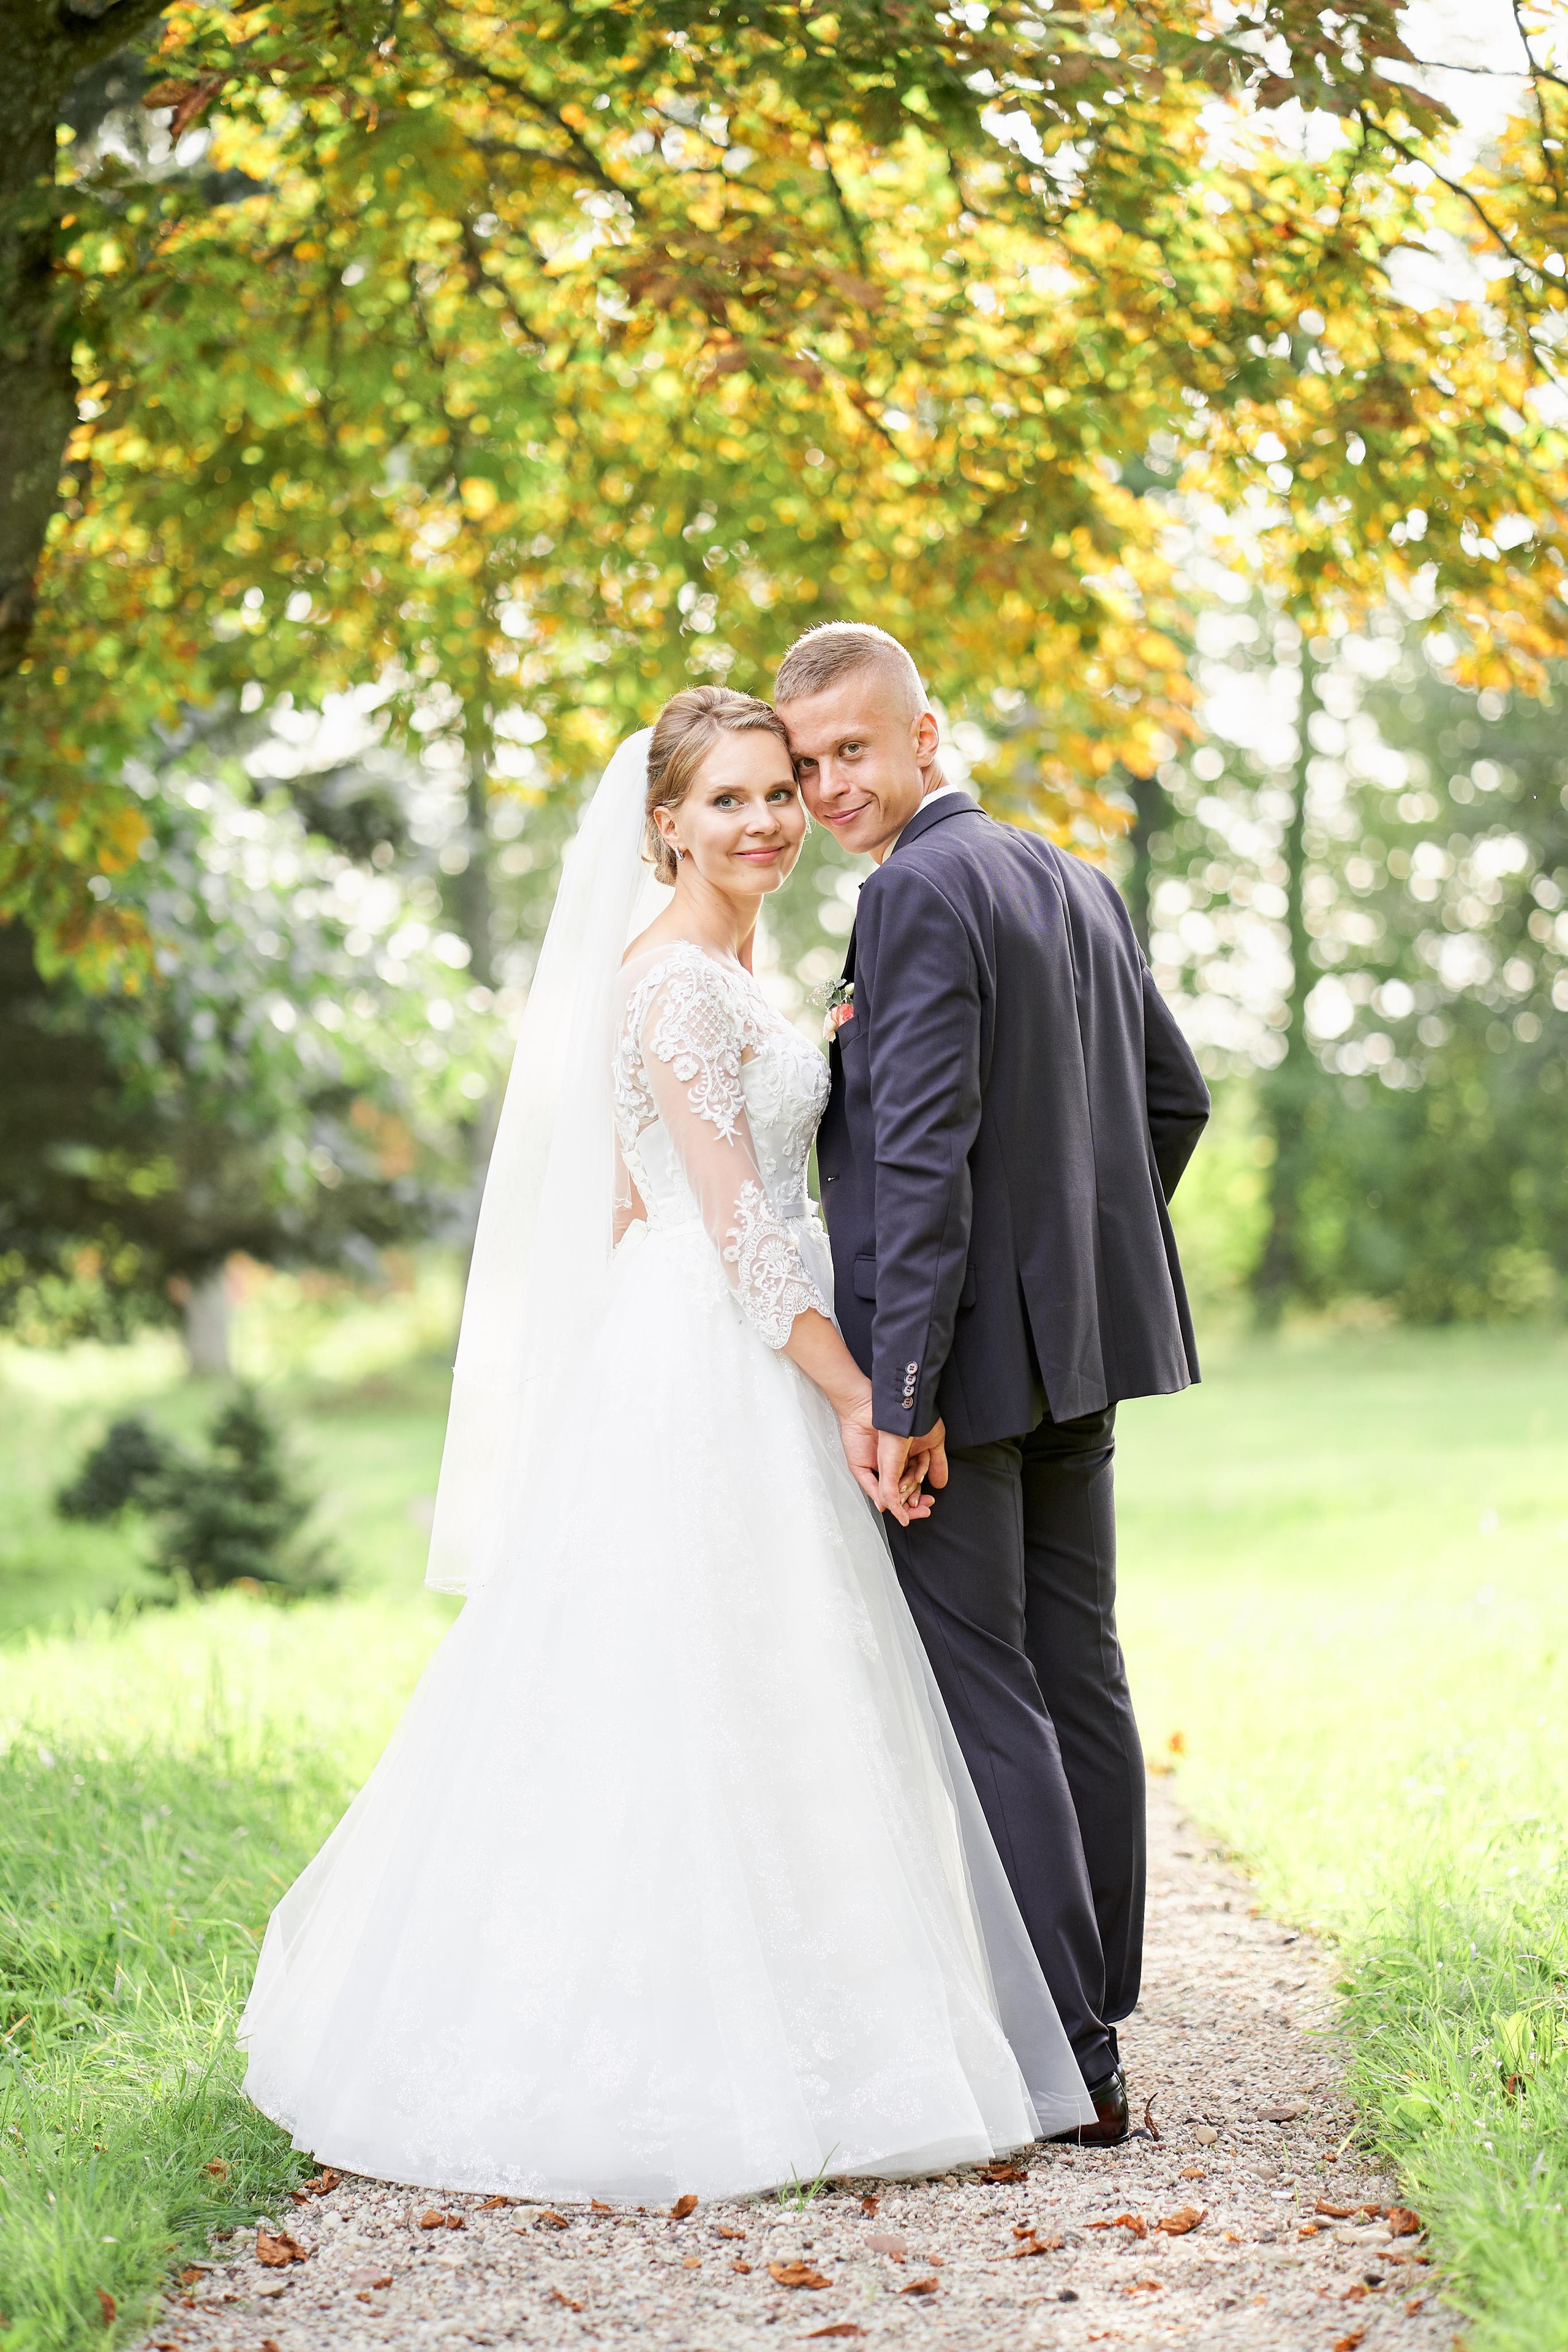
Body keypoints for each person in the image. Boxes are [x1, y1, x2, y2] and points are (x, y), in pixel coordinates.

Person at [239, 686, 1094, 2204]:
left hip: (736, 1330)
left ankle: (834, 2017)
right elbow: (741, 1232)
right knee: (691, 1681)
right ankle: (667, 2040)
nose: (766, 820)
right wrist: (860, 1394)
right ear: (664, 825)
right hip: (722, 1352)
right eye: (727, 800)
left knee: (788, 1683)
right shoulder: (675, 984)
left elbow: (653, 1189)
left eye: (778, 792)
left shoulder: (737, 969)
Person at [775, 625, 1211, 2146]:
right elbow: (1172, 1102)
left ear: (924, 733)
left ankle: (1068, 2053)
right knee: (1077, 1666)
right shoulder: (1073, 877)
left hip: (955, 1373)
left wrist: (902, 1396)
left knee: (989, 1684)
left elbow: (920, 1161)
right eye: (805, 761)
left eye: (852, 749)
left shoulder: (911, 894)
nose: (828, 785)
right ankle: (1103, 2010)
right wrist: (1072, 1269)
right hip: (1081, 1354)